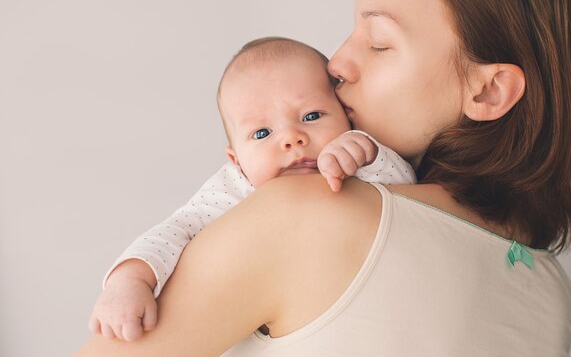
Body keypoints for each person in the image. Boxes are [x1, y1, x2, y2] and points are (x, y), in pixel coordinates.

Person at [77, 0, 571, 355]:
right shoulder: (555, 296)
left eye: (379, 42)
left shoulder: (310, 209)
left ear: (486, 92)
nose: (336, 61)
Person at [87, 36, 417, 342]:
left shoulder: (360, 158)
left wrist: (367, 153)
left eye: (312, 115)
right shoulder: (234, 189)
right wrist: (130, 281)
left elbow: (409, 198)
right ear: (237, 160)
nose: (291, 138)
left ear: (347, 118)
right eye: (261, 134)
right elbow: (177, 229)